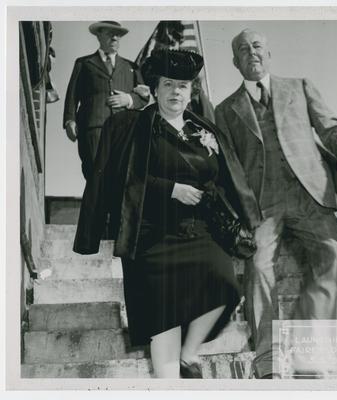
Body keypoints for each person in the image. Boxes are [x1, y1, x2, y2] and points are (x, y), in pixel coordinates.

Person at [73, 49, 256, 378]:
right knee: (164, 322)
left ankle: (188, 355)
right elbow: (117, 181)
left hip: (199, 231)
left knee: (227, 288)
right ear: (153, 89)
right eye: (169, 84)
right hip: (150, 235)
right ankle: (169, 386)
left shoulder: (206, 132)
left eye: (183, 86)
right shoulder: (128, 125)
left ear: (191, 92)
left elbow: (226, 180)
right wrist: (169, 189)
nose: (176, 92)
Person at [214, 29, 337, 379]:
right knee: (258, 267)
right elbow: (233, 167)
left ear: (268, 54)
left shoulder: (299, 86)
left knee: (332, 258)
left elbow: (331, 128)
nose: (250, 52)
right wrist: (249, 211)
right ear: (235, 62)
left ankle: (311, 349)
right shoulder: (225, 110)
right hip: (263, 204)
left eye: (256, 46)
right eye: (242, 49)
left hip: (311, 193)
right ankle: (268, 360)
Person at [63, 21, 148, 179]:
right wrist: (70, 120)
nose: (115, 38)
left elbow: (144, 97)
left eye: (118, 35)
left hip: (124, 129)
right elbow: (72, 95)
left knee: (121, 174)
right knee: (95, 173)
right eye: (110, 33)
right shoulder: (84, 63)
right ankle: (96, 204)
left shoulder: (131, 67)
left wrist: (128, 99)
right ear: (99, 36)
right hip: (93, 128)